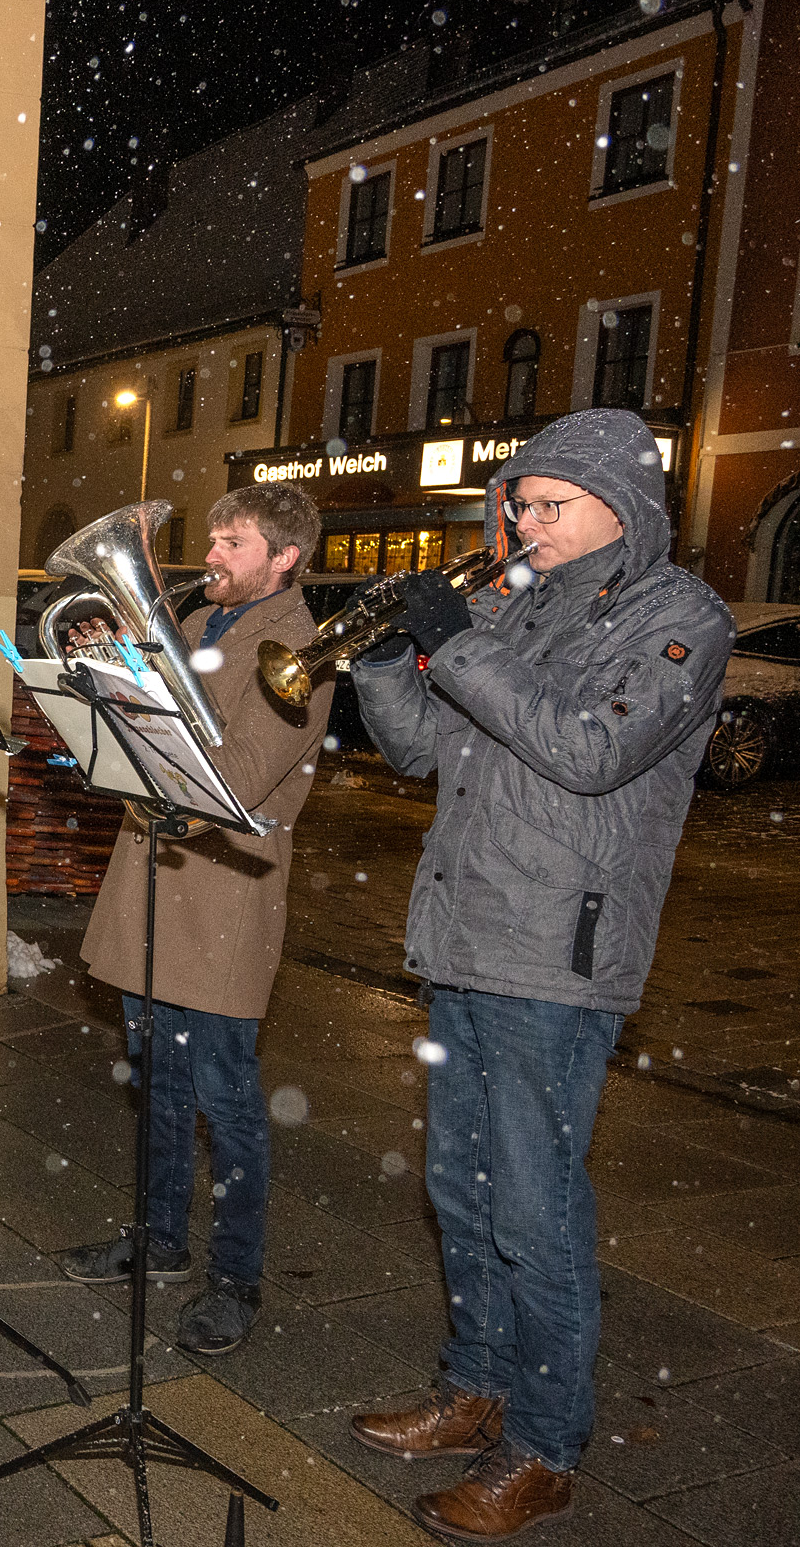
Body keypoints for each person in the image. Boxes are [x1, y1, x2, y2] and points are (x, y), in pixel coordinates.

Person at [346, 409, 731, 1542]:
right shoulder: (515, 604)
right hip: (464, 930)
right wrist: (384, 664)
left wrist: (456, 644)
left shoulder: (679, 617)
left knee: (535, 1208)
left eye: (549, 503)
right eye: (518, 499)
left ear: (625, 507)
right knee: (459, 1189)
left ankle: (546, 1447)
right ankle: (475, 1390)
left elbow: (590, 748)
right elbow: (422, 747)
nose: (522, 519)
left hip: (558, 951)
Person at [55, 483, 332, 1357]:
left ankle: (236, 1277)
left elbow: (241, 772)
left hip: (221, 894)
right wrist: (107, 680)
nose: (210, 554)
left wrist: (144, 694)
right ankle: (161, 1240)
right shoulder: (197, 621)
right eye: (212, 537)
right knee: (156, 1083)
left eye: (233, 542)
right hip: (153, 877)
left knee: (226, 1096)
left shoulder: (297, 647)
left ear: (284, 557)